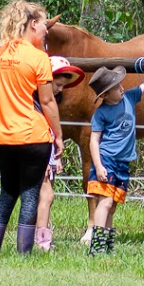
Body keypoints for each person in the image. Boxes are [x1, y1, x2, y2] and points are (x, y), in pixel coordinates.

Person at [0, 0, 64, 256]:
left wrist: (4, 121)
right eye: (43, 25)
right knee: (30, 193)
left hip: (5, 136)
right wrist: (58, 136)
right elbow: (48, 101)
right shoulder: (39, 58)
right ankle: (24, 253)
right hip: (34, 136)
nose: (46, 30)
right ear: (31, 24)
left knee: (7, 192)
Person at [86, 65, 144, 255]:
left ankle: (107, 245)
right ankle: (97, 246)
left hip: (123, 162)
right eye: (116, 87)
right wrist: (98, 166)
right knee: (104, 202)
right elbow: (94, 140)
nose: (122, 88)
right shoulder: (101, 113)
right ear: (105, 95)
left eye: (120, 85)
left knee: (112, 205)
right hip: (107, 160)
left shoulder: (129, 97)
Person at [33, 56, 85, 251]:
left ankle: (38, 234)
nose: (59, 89)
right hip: (41, 151)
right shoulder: (41, 106)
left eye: (63, 86)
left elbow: (52, 131)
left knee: (44, 195)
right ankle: (42, 239)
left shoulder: (50, 106)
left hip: (48, 152)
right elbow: (45, 132)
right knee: (46, 196)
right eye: (58, 84)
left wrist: (57, 157)